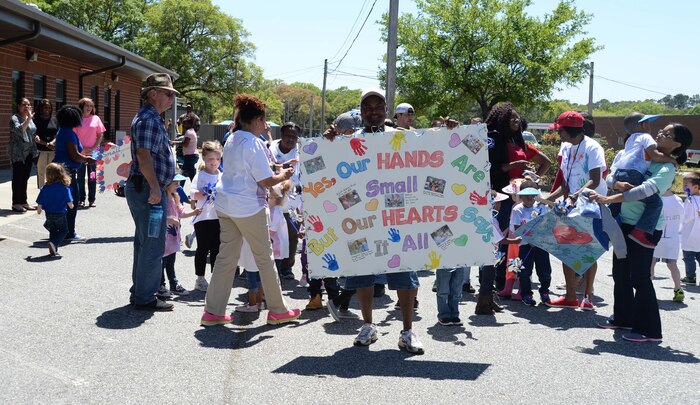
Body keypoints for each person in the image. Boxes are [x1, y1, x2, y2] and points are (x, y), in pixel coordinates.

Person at [323, 88, 424, 354]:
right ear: (361, 112)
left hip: (396, 217)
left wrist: (451, 137)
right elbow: (332, 171)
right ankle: (368, 325)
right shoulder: (349, 140)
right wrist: (327, 145)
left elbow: (425, 165)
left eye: (379, 106)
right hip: (362, 217)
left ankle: (407, 331)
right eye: (367, 107)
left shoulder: (402, 137)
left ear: (387, 110)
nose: (373, 111)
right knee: (363, 273)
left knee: (404, 272)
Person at [201, 93, 301, 327]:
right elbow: (265, 181)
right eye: (263, 121)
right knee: (265, 258)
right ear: (255, 120)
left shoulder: (233, 138)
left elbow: (249, 169)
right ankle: (277, 309)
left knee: (226, 258)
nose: (265, 126)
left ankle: (213, 311)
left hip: (225, 204)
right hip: (247, 207)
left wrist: (274, 169)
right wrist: (284, 174)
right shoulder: (254, 143)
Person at [590, 122, 691, 342]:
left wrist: (611, 197)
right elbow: (611, 174)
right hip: (624, 223)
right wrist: (617, 184)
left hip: (645, 228)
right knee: (620, 274)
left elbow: (645, 191)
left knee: (639, 277)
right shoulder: (641, 155)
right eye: (661, 131)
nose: (660, 134)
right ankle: (623, 317)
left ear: (677, 144)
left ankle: (650, 330)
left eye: (666, 134)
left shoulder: (668, 168)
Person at [485, 102, 551, 299]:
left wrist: (532, 182)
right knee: (505, 242)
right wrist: (512, 165)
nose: (516, 120)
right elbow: (487, 168)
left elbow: (546, 162)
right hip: (502, 199)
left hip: (523, 200)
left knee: (520, 244)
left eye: (517, 117)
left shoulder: (520, 142)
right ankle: (501, 281)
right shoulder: (494, 140)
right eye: (511, 117)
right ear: (501, 120)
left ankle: (518, 281)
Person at [125, 73, 178, 312]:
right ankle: (145, 297)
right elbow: (143, 155)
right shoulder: (148, 118)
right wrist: (156, 187)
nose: (171, 99)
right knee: (153, 244)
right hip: (149, 190)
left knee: (145, 242)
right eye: (168, 94)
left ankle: (141, 292)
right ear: (153, 93)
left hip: (147, 188)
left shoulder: (150, 117)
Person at [545, 111, 607, 310]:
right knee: (566, 250)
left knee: (589, 251)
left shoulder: (592, 147)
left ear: (571, 130)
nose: (558, 135)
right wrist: (547, 199)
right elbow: (565, 183)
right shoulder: (566, 147)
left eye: (561, 131)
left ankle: (587, 298)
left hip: (591, 206)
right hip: (571, 206)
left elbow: (595, 180)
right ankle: (570, 296)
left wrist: (575, 195)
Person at [607, 112, 677, 248]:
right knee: (655, 202)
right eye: (648, 123)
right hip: (633, 174)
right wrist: (671, 159)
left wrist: (616, 183)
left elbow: (611, 175)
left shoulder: (629, 141)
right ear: (644, 124)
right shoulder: (646, 137)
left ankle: (608, 216)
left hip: (620, 174)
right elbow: (655, 156)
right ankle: (641, 231)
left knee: (620, 198)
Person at [53, 105, 95, 243]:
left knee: (63, 201)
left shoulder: (62, 131)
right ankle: (69, 232)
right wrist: (87, 159)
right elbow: (74, 155)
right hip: (68, 172)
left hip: (60, 170)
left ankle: (59, 228)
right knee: (72, 202)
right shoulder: (69, 133)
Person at [157, 173, 201, 299]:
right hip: (164, 235)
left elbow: (181, 213)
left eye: (179, 182)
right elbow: (157, 215)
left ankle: (173, 283)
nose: (178, 185)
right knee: (162, 262)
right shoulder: (162, 197)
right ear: (167, 183)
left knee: (171, 262)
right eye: (175, 183)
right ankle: (160, 285)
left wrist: (194, 212)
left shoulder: (174, 196)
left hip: (173, 236)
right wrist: (169, 220)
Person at [509, 181, 551, 306]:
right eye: (526, 196)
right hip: (525, 245)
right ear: (520, 197)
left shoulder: (541, 207)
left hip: (541, 244)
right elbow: (517, 229)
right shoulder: (517, 209)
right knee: (525, 271)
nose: (529, 199)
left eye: (532, 196)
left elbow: (547, 225)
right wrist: (529, 238)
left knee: (544, 270)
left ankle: (544, 291)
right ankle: (526, 294)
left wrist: (537, 238)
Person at [269, 122, 302, 280]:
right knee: (270, 234)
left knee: (292, 233)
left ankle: (287, 267)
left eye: (294, 137)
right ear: (281, 135)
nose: (290, 139)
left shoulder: (301, 152)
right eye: (287, 135)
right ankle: (267, 265)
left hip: (292, 201)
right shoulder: (271, 149)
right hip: (272, 199)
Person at [190, 141, 223, 292]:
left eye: (217, 159)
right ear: (203, 158)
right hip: (202, 217)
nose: (214, 162)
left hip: (218, 217)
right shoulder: (200, 175)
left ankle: (216, 278)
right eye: (210, 159)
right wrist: (206, 192)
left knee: (217, 248)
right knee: (203, 248)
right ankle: (200, 278)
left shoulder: (222, 176)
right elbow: (193, 194)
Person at [651, 183, 685, 302]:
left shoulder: (656, 198)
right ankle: (678, 288)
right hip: (672, 237)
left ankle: (647, 290)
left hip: (656, 235)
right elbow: (683, 217)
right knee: (672, 265)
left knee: (651, 263)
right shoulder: (678, 200)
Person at [35, 163, 74, 256]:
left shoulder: (45, 187)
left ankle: (54, 249)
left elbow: (40, 200)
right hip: (60, 213)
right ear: (61, 174)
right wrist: (71, 206)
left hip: (49, 213)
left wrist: (39, 209)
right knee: (64, 230)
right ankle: (54, 243)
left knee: (53, 231)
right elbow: (69, 202)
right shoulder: (64, 187)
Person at [75, 98, 106, 208]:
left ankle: (92, 199)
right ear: (81, 107)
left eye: (91, 106)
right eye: (86, 105)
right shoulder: (76, 119)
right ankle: (81, 199)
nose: (89, 108)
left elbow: (100, 135)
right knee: (80, 177)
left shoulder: (96, 118)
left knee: (92, 177)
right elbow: (74, 136)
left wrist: (94, 148)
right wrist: (82, 148)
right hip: (80, 152)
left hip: (94, 153)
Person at [9, 98, 39, 212]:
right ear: (18, 107)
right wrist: (29, 118)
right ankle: (16, 203)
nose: (26, 107)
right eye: (23, 105)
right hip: (18, 152)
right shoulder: (15, 118)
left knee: (25, 177)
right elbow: (20, 129)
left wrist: (36, 137)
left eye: (28, 104)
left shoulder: (29, 118)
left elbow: (31, 131)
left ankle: (23, 201)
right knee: (18, 177)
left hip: (29, 151)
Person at [680, 171, 700, 286]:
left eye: (686, 185)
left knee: (688, 257)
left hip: (689, 235)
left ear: (695, 187)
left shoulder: (690, 200)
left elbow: (685, 217)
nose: (683, 188)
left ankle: (690, 277)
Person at [33, 99, 58, 188]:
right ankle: (42, 193)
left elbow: (58, 134)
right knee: (41, 172)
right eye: (45, 107)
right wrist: (45, 144)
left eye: (49, 107)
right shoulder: (36, 120)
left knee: (53, 173)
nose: (47, 109)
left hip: (53, 150)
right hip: (40, 150)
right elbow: (34, 135)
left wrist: (52, 142)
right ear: (41, 108)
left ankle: (51, 192)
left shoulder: (55, 119)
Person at [180, 114, 199, 183]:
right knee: (190, 174)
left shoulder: (188, 132)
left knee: (182, 174)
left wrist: (176, 143)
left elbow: (185, 144)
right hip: (192, 156)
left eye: (185, 124)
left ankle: (179, 190)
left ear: (189, 124)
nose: (183, 125)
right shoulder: (192, 131)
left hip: (190, 156)